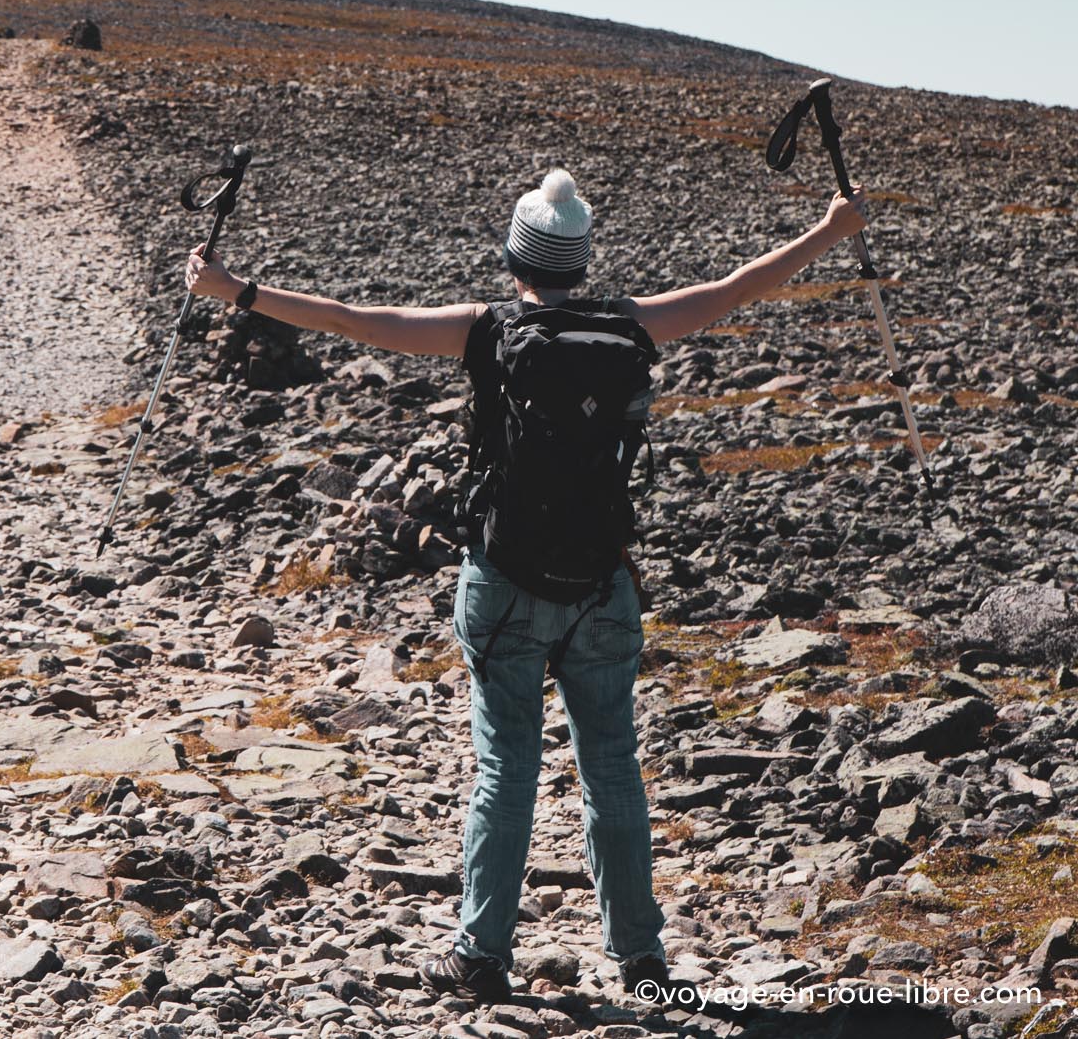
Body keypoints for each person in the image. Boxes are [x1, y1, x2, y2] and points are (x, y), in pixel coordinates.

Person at [185, 168, 869, 1006]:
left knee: (506, 768)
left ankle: (481, 955)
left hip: (503, 579)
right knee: (612, 766)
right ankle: (642, 960)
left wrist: (236, 290)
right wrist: (832, 230)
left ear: (515, 259)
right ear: (582, 260)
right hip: (601, 580)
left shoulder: (485, 329)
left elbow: (348, 317)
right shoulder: (632, 325)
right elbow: (737, 286)